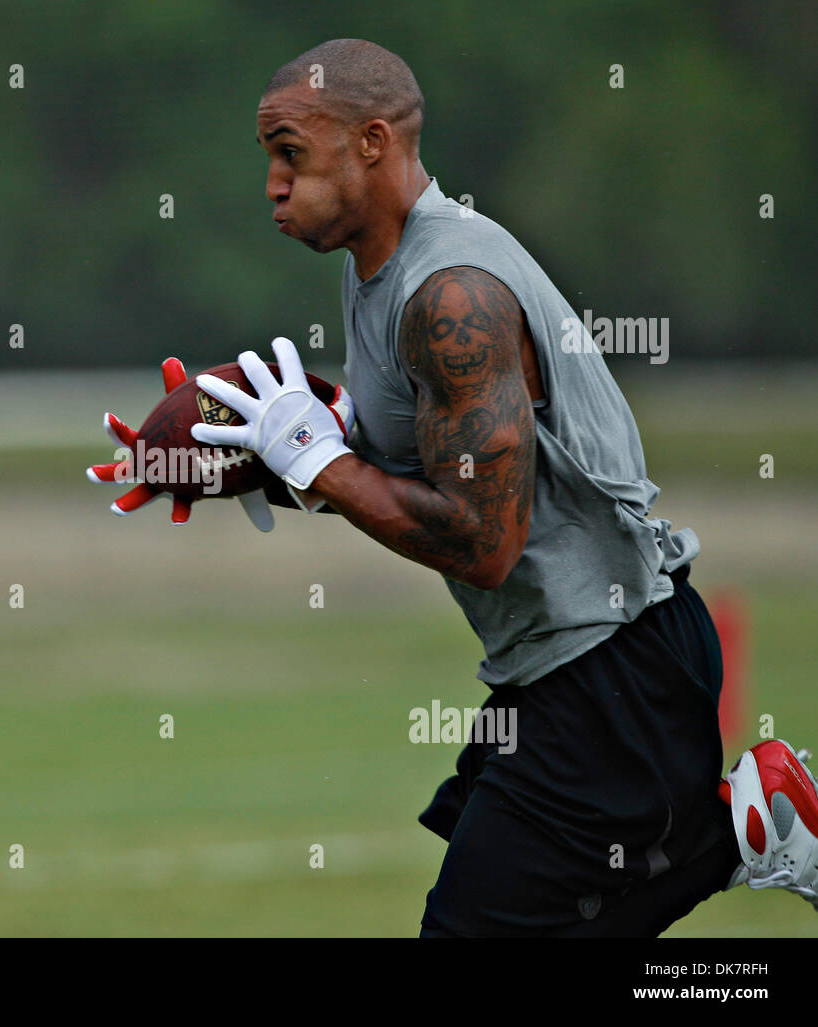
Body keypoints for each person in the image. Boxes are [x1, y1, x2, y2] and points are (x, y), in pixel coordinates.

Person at [131, 38, 817, 936]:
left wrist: (319, 463)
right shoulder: (372, 274)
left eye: (290, 152)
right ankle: (745, 830)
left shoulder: (452, 293)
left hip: (612, 669)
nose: (272, 182)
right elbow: (416, 459)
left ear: (372, 142)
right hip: (562, 671)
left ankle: (741, 834)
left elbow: (483, 544)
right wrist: (283, 446)